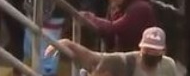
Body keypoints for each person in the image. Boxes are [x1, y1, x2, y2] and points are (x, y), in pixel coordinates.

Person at [53, 26, 182, 75]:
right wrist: (68, 44)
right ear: (140, 47)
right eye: (147, 49)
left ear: (163, 51)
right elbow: (94, 57)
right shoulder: (127, 61)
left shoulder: (168, 66)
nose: (150, 53)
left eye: (155, 50)